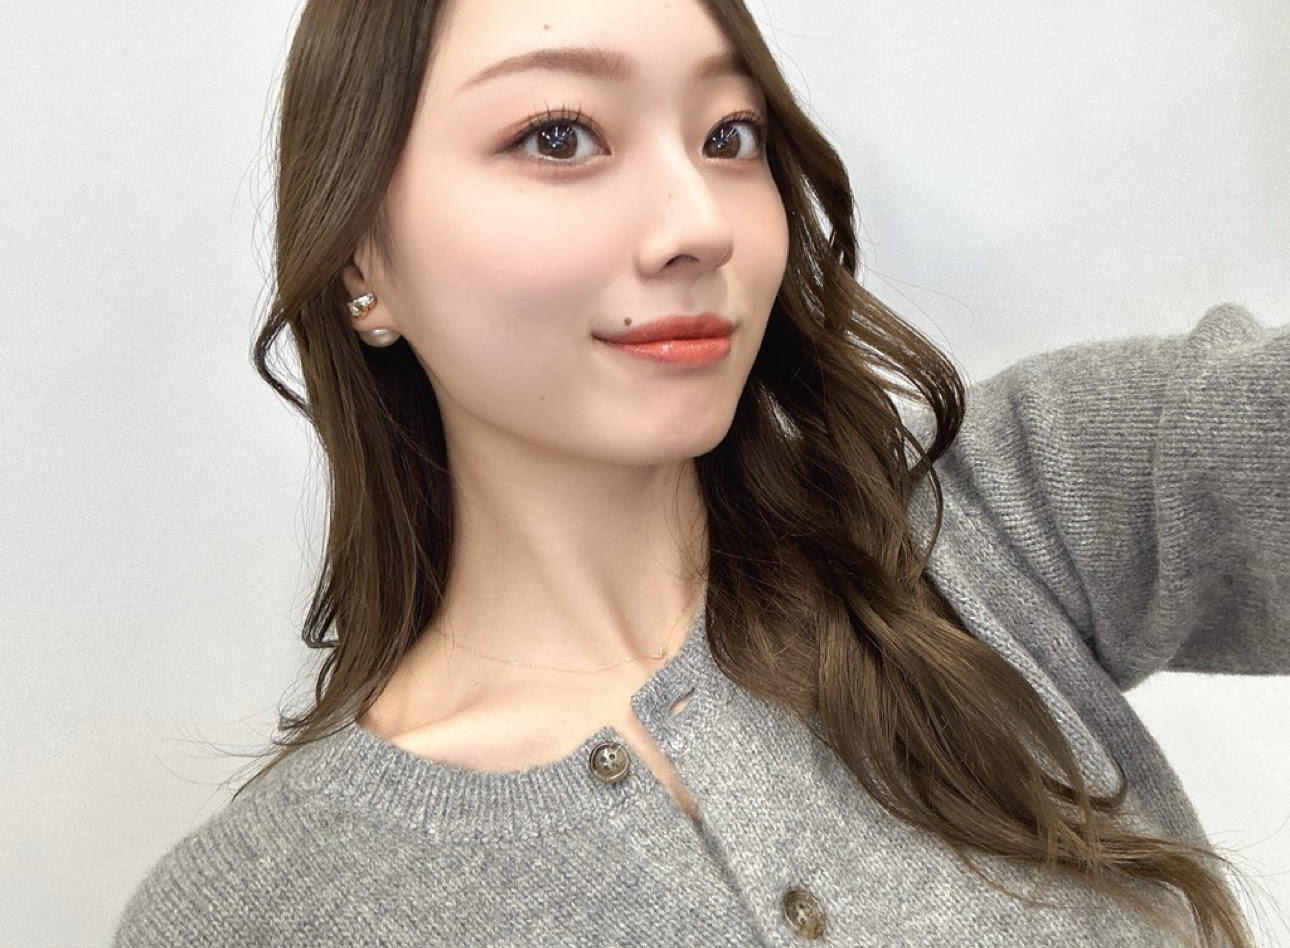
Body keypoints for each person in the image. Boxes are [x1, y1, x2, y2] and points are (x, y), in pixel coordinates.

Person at [112, 0, 1287, 945]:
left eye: (729, 136)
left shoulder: (998, 525)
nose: (699, 223)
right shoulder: (251, 912)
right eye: (559, 135)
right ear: (359, 260)